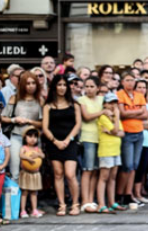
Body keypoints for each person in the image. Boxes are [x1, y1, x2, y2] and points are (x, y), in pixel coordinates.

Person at [42, 74, 82, 216]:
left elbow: (78, 124)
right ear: (54, 87)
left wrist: (67, 139)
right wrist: (55, 141)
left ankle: (76, 203)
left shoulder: (74, 104)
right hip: (54, 142)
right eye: (59, 85)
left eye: (64, 85)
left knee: (70, 174)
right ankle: (62, 204)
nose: (62, 88)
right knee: (58, 174)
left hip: (70, 142)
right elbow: (45, 127)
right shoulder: (48, 106)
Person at [115, 72, 148, 208]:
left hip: (139, 132)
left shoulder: (139, 95)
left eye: (132, 80)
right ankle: (119, 194)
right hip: (127, 133)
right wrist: (137, 112)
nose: (130, 83)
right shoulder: (120, 95)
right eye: (127, 80)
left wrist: (130, 113)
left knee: (134, 165)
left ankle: (128, 194)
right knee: (127, 165)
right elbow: (122, 113)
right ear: (122, 82)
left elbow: (145, 114)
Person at [2, 71, 43, 179]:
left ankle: (31, 195)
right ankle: (16, 195)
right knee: (15, 170)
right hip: (16, 135)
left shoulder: (40, 100)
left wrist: (29, 121)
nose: (31, 86)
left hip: (34, 138)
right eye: (28, 83)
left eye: (33, 83)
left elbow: (44, 123)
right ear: (22, 84)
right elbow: (3, 117)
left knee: (33, 169)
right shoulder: (14, 98)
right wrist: (14, 120)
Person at [77, 77, 104, 212]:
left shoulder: (101, 99)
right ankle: (84, 200)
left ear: (98, 88)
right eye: (86, 86)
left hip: (101, 137)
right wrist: (102, 112)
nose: (89, 89)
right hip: (88, 137)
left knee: (95, 170)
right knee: (87, 169)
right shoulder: (82, 100)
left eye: (92, 86)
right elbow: (86, 116)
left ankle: (91, 199)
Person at [96, 92, 125, 213]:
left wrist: (113, 130)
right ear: (104, 104)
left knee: (113, 177)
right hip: (106, 150)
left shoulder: (114, 118)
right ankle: (101, 204)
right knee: (104, 177)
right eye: (110, 103)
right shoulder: (103, 117)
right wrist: (116, 120)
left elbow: (122, 133)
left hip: (115, 150)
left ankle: (112, 202)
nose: (113, 105)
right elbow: (115, 130)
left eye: (114, 103)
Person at [18, 128, 44, 218]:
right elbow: (20, 155)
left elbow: (43, 155)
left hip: (35, 174)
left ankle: (34, 210)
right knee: (24, 192)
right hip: (26, 173)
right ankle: (23, 210)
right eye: (30, 136)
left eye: (35, 137)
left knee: (34, 193)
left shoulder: (37, 149)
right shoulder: (24, 148)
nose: (33, 139)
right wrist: (28, 158)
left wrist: (38, 155)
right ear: (25, 137)